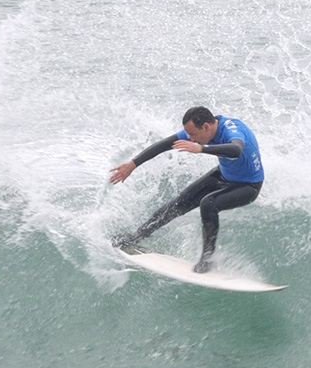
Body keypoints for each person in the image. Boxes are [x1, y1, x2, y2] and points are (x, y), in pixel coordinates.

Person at [109, 106, 263, 273]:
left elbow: (236, 150)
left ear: (206, 126)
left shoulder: (232, 129)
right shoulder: (202, 130)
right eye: (189, 135)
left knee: (208, 203)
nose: (191, 139)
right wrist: (133, 164)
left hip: (248, 185)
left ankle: (207, 259)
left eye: (193, 135)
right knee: (180, 202)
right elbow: (165, 144)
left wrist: (202, 149)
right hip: (224, 175)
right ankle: (137, 236)